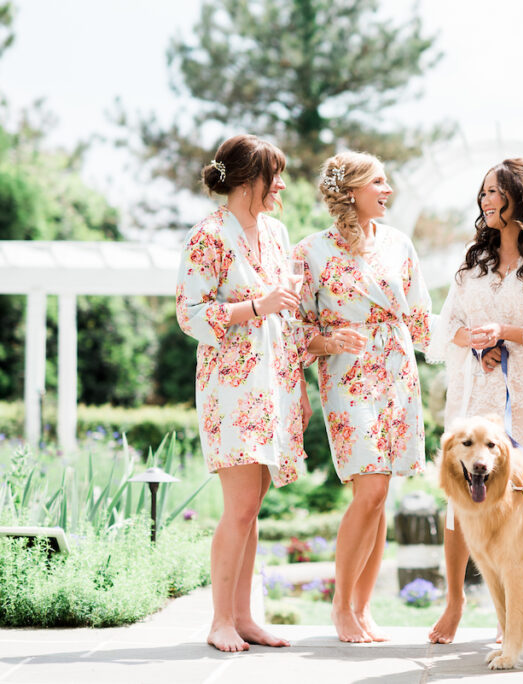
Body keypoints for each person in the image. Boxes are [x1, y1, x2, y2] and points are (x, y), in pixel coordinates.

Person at [426, 158, 523, 644]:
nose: (486, 201)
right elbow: (447, 326)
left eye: (495, 192)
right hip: (478, 393)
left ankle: (512, 617)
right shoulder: (474, 261)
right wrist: (479, 344)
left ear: (519, 196)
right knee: (462, 498)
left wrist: (505, 335)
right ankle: (454, 602)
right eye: (483, 193)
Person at [176, 134, 311, 653]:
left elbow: (291, 312)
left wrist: (297, 384)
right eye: (274, 175)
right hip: (231, 387)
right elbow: (189, 315)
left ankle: (245, 616)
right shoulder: (208, 235)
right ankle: (219, 622)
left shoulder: (276, 233)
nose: (281, 185)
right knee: (237, 506)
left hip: (274, 382)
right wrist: (255, 306)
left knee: (254, 503)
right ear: (249, 180)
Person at [292, 151, 431, 643]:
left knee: (380, 498)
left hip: (397, 369)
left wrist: (466, 350)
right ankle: (340, 607)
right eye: (379, 182)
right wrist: (329, 342)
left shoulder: (399, 244)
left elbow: (419, 316)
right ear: (350, 190)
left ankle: (364, 607)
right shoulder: (311, 251)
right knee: (368, 489)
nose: (388, 190)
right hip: (347, 374)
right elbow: (295, 331)